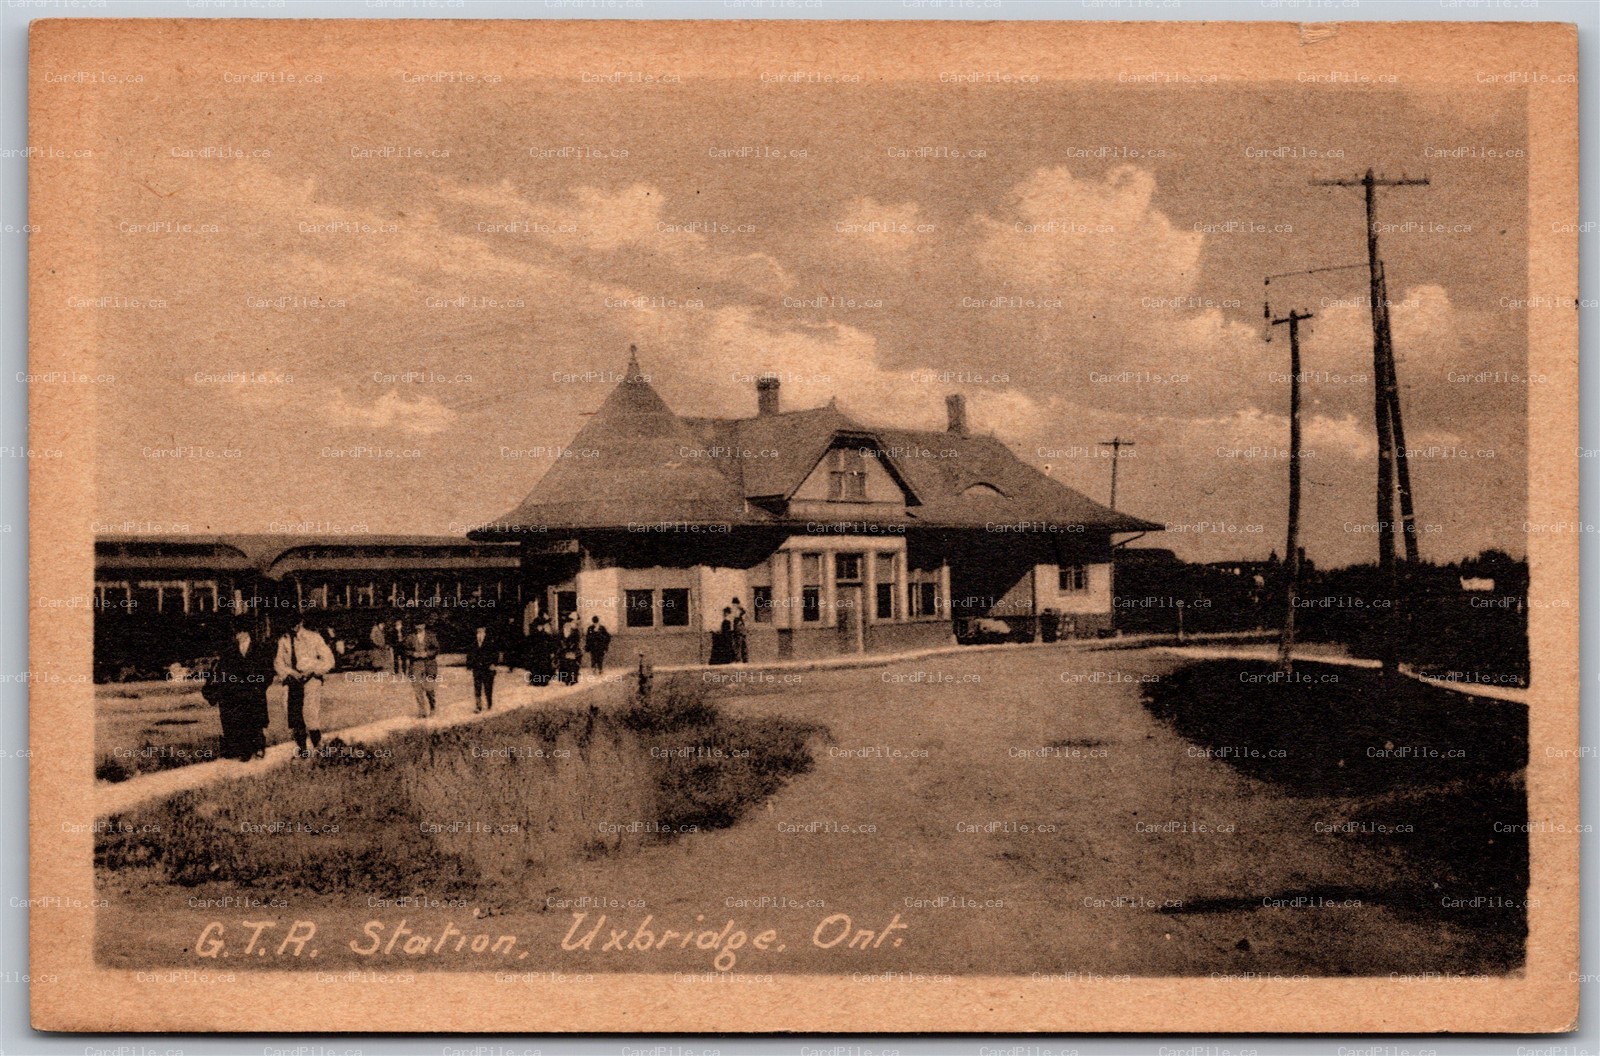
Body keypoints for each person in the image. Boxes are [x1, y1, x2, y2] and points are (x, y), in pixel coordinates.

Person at [203, 618, 272, 761]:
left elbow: (267, 670)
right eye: (236, 632)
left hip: (255, 689)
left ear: (246, 632)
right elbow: (224, 670)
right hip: (239, 691)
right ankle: (245, 751)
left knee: (256, 721)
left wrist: (261, 685)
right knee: (243, 720)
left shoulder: (260, 648)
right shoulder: (230, 650)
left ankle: (259, 747)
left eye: (240, 632)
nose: (237, 635)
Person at [274, 614, 335, 759]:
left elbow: (329, 660)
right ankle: (302, 750)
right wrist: (289, 673)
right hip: (292, 680)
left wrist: (314, 669)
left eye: (296, 624)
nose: (293, 629)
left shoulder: (314, 638)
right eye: (290, 625)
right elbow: (278, 662)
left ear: (301, 623)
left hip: (311, 679)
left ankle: (319, 748)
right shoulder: (284, 640)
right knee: (293, 714)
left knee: (310, 713)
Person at [404, 618, 441, 717]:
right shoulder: (410, 637)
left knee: (429, 688)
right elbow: (405, 650)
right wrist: (413, 653)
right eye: (417, 625)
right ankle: (422, 711)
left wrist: (427, 653)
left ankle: (432, 707)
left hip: (429, 665)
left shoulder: (431, 636)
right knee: (417, 689)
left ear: (424, 625)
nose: (419, 627)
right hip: (415, 665)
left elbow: (437, 649)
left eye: (421, 625)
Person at [465, 622, 500, 713]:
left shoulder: (491, 640)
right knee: (477, 687)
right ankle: (478, 706)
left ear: (484, 630)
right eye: (478, 630)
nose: (479, 632)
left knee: (488, 687)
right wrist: (469, 664)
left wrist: (494, 664)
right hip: (477, 668)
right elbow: (470, 653)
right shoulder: (474, 641)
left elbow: (495, 653)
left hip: (488, 668)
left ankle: (489, 703)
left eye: (481, 629)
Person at [526, 616, 556, 687]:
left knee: (544, 667)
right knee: (536, 667)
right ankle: (535, 681)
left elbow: (551, 644)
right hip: (536, 654)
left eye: (541, 626)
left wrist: (551, 652)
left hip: (544, 654)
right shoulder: (533, 636)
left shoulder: (546, 635)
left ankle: (543, 681)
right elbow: (529, 645)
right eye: (538, 626)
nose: (540, 627)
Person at [556, 620, 582, 685]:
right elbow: (558, 642)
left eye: (568, 627)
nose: (566, 628)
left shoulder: (574, 633)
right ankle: (565, 680)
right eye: (565, 627)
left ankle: (572, 679)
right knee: (564, 666)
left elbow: (576, 642)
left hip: (572, 652)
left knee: (572, 666)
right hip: (564, 652)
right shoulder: (561, 634)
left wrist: (572, 646)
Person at [729, 596, 749, 663]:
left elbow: (737, 618)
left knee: (739, 645)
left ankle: (740, 659)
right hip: (741, 631)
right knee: (742, 645)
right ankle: (743, 659)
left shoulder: (738, 615)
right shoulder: (740, 614)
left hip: (739, 632)